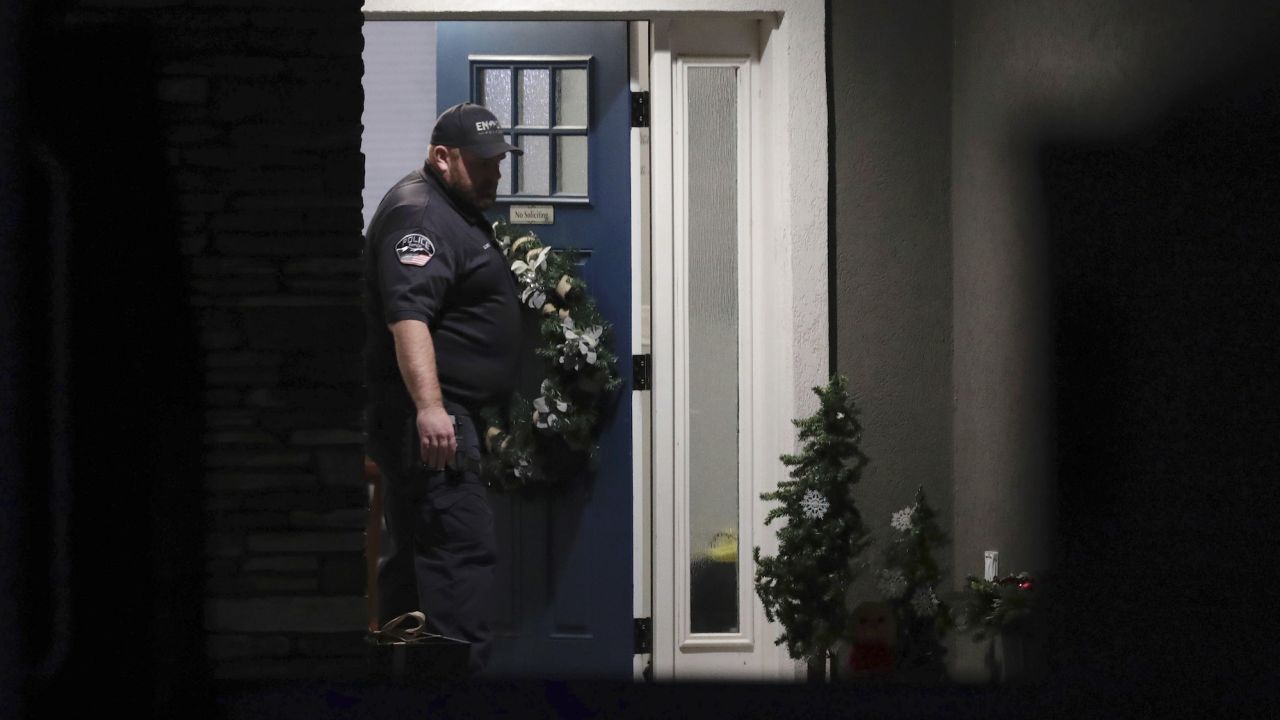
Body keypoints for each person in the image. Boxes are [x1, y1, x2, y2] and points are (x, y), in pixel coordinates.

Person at [361, 102, 523, 674]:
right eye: (483, 164)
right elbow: (409, 317)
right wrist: (432, 409)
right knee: (458, 561)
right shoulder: (421, 215)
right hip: (431, 424)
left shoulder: (448, 207)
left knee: (416, 567)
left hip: (439, 416)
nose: (495, 174)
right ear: (442, 157)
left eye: (499, 162)